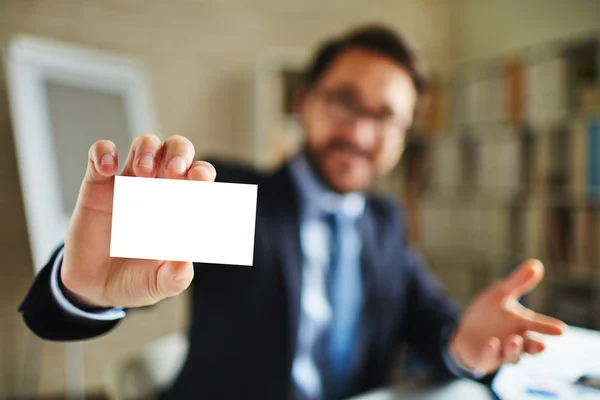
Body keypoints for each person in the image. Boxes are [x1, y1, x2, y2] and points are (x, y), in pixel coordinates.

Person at [19, 24, 566, 400]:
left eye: (384, 116)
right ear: (305, 101)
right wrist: (81, 291)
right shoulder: (228, 192)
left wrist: (466, 345)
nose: (357, 131)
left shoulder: (384, 221)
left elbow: (433, 323)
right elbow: (55, 314)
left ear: (403, 137)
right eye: (343, 101)